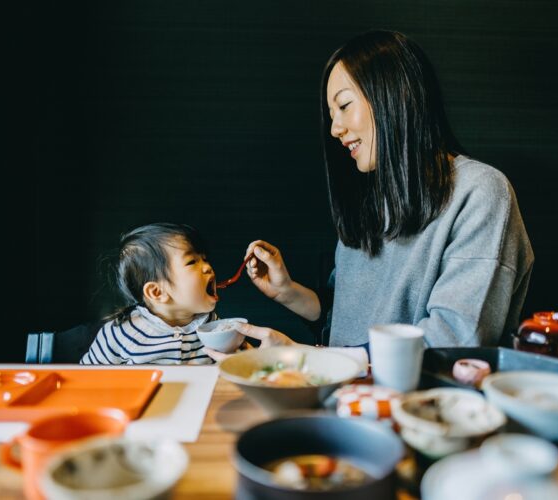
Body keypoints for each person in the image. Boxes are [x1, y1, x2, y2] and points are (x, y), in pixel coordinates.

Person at [236, 30, 534, 350]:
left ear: (394, 95)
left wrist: (309, 358)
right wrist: (289, 292)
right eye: (332, 115)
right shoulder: (370, 202)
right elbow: (347, 321)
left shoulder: (480, 193)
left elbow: (456, 337)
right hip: (344, 397)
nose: (335, 128)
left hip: (420, 400)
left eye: (345, 106)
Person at [80, 223, 219, 365]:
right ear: (156, 292)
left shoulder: (215, 326)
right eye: (191, 262)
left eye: (204, 259)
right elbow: (86, 376)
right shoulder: (120, 333)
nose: (208, 267)